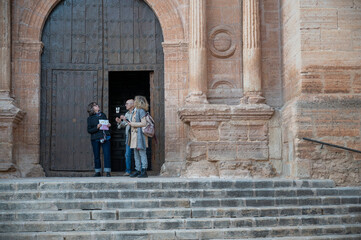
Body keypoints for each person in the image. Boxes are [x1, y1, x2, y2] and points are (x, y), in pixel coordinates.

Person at [87, 102, 112, 177]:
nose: (97, 106)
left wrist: (108, 125)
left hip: (105, 137)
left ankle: (107, 171)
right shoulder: (90, 118)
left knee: (107, 154)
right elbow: (89, 130)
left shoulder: (103, 115)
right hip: (95, 138)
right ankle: (98, 172)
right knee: (96, 155)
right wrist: (97, 127)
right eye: (95, 105)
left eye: (97, 105)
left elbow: (106, 124)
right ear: (92, 108)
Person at [128, 96, 149, 178]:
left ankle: (144, 170)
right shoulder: (135, 111)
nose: (134, 102)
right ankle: (138, 170)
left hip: (140, 136)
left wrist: (132, 124)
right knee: (136, 154)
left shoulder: (141, 111)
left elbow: (144, 123)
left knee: (142, 153)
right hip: (135, 136)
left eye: (135, 100)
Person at [115, 99, 134, 176]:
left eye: (127, 104)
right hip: (128, 137)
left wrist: (125, 119)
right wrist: (119, 122)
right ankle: (128, 170)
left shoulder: (137, 112)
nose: (125, 105)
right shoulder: (126, 113)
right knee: (127, 154)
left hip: (135, 136)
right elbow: (123, 125)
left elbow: (134, 122)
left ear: (132, 104)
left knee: (137, 154)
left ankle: (139, 170)